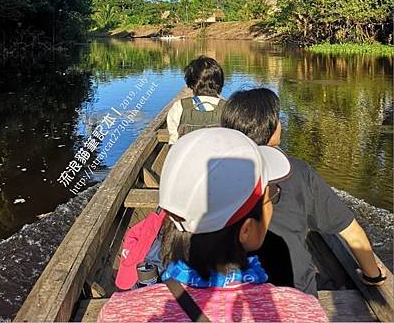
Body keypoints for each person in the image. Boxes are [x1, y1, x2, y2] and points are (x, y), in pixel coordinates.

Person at [97, 128, 328, 322]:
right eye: (271, 196)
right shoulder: (304, 312)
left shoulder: (118, 312)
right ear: (246, 230)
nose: (272, 203)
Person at [221, 88, 387, 295]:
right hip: (297, 291)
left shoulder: (217, 174)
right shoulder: (298, 171)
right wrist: (374, 275)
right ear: (271, 128)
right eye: (278, 119)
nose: (281, 125)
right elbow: (353, 234)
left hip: (229, 290)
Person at [167, 55, 225, 144]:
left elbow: (173, 140)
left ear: (191, 83)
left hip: (187, 156)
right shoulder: (227, 108)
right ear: (220, 83)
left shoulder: (179, 106)